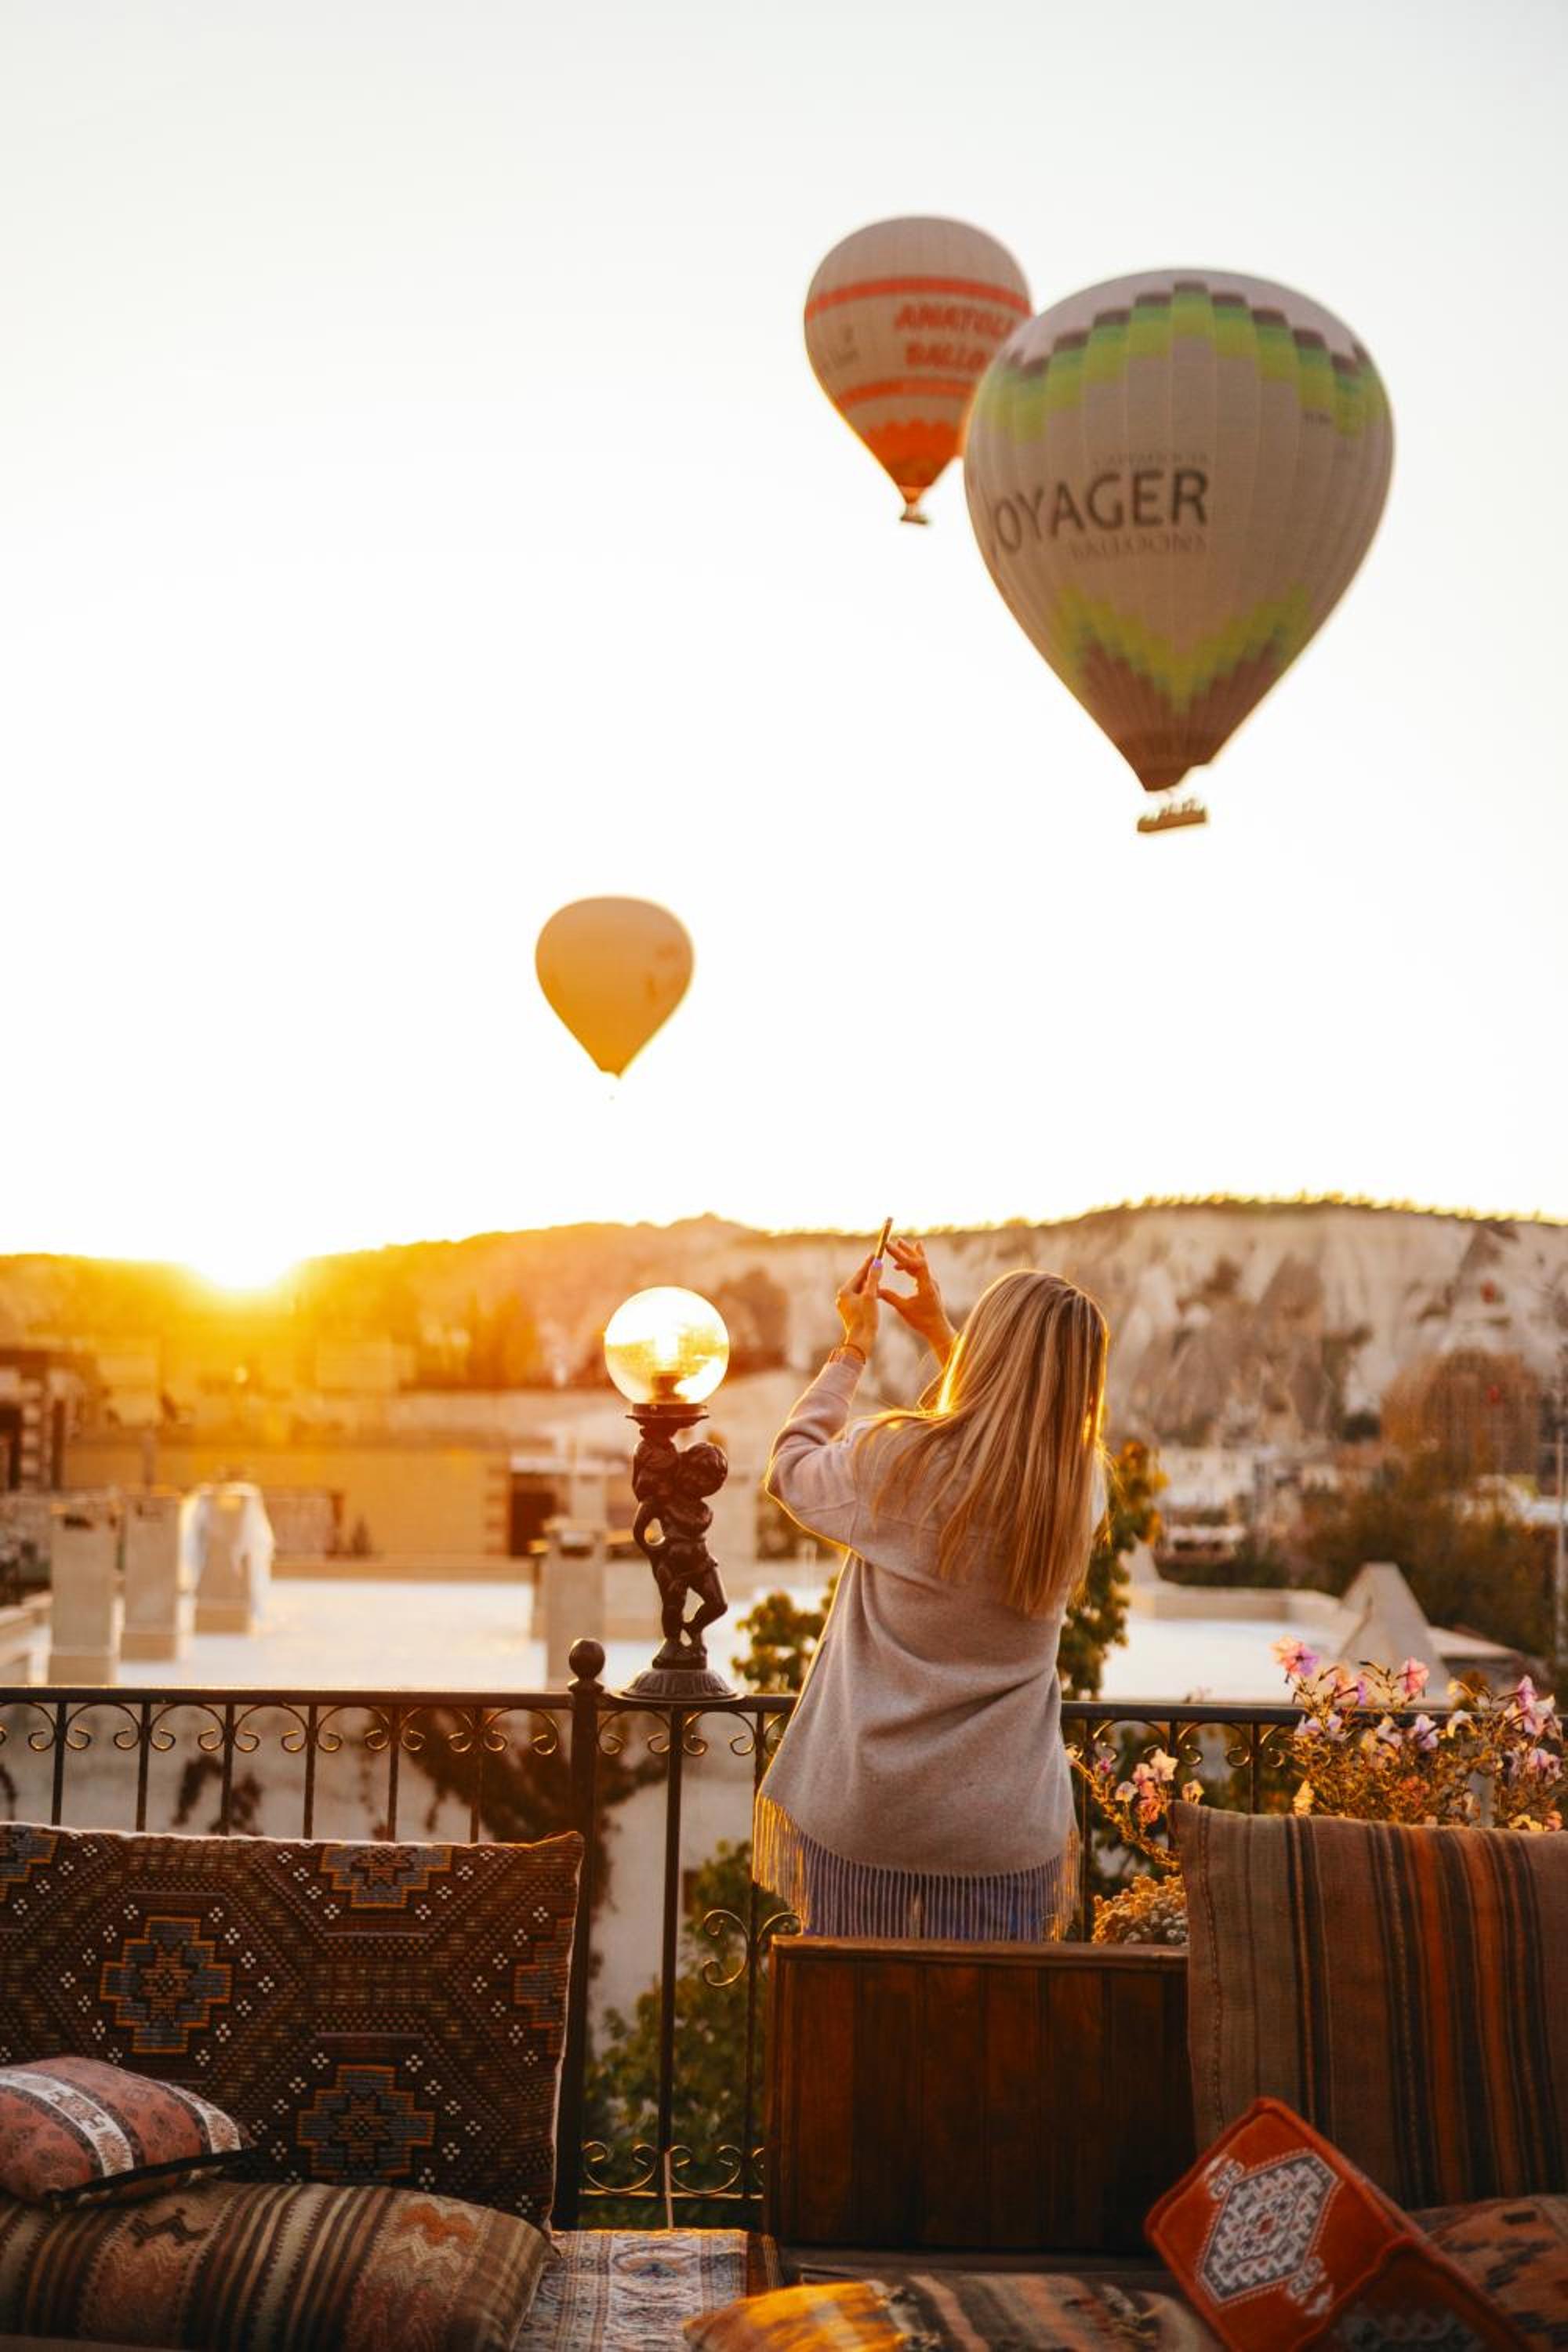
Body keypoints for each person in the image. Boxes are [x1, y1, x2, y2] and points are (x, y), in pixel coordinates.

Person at [753, 1237, 1109, 1941]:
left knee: (852, 2033)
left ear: (988, 1347)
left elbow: (790, 1468)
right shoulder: (1079, 1492)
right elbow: (1010, 1434)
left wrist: (852, 1348)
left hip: (871, 1817)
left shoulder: (895, 1461)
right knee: (984, 2043)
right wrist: (941, 1337)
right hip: (1004, 1832)